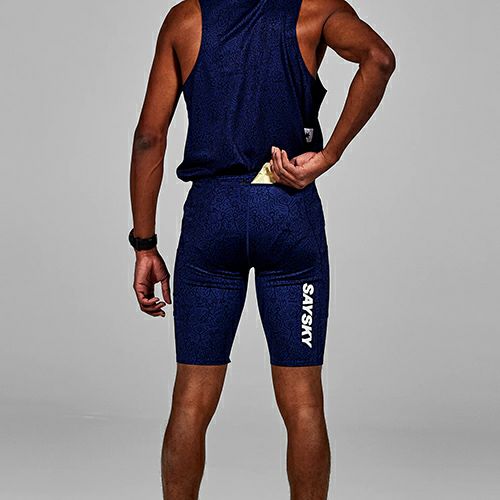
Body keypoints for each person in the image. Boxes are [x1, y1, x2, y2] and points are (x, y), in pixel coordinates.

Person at [129, 0, 395, 498]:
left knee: (190, 400)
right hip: (286, 211)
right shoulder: (318, 9)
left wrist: (145, 244)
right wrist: (328, 154)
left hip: (213, 217)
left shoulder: (185, 19)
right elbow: (378, 59)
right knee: (304, 403)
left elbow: (149, 138)